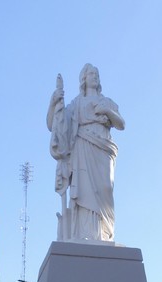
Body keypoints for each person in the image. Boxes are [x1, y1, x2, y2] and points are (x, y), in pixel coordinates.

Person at [47, 64, 125, 242]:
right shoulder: (76, 103)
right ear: (84, 78)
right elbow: (55, 125)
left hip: (103, 150)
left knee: (105, 189)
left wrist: (107, 111)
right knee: (85, 191)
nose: (94, 76)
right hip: (83, 148)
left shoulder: (106, 102)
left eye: (96, 74)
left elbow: (121, 124)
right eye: (91, 73)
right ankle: (86, 235)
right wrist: (54, 104)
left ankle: (104, 234)